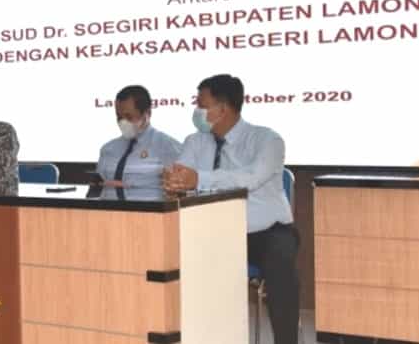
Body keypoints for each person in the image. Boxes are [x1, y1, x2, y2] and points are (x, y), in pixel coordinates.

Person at [163, 74, 298, 344]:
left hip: (263, 232)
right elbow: (182, 177)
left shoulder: (267, 140)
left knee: (281, 260)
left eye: (201, 105)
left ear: (222, 109)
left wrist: (198, 179)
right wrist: (174, 182)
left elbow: (251, 178)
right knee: (164, 255)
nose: (196, 111)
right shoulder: (194, 141)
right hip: (210, 231)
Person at [96, 85, 182, 188]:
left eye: (128, 116)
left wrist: (133, 187)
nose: (122, 122)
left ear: (147, 114)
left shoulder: (168, 146)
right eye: (119, 117)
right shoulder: (108, 149)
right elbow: (96, 186)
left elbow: (181, 188)